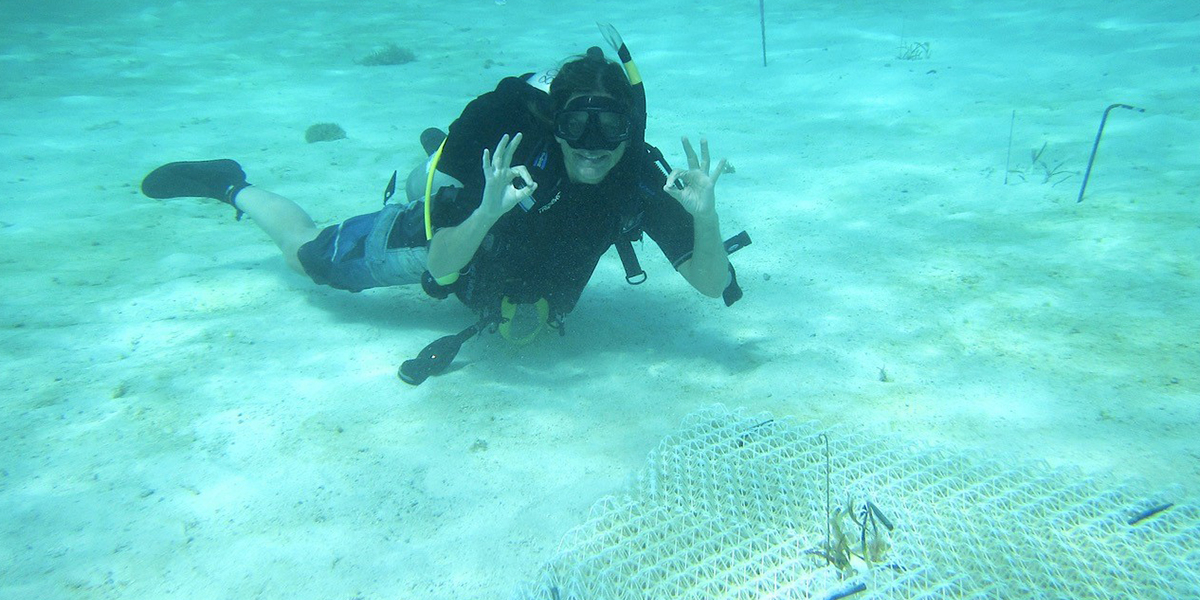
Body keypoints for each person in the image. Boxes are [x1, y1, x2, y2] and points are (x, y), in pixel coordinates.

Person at [140, 41, 748, 384]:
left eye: (610, 125)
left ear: (630, 129)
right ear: (554, 125)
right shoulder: (516, 166)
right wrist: (484, 212)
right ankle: (231, 186)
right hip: (463, 233)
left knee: (434, 183)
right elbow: (442, 265)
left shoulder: (639, 179)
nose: (592, 144)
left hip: (518, 275)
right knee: (311, 258)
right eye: (576, 123)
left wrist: (705, 216)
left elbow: (712, 282)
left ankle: (433, 159)